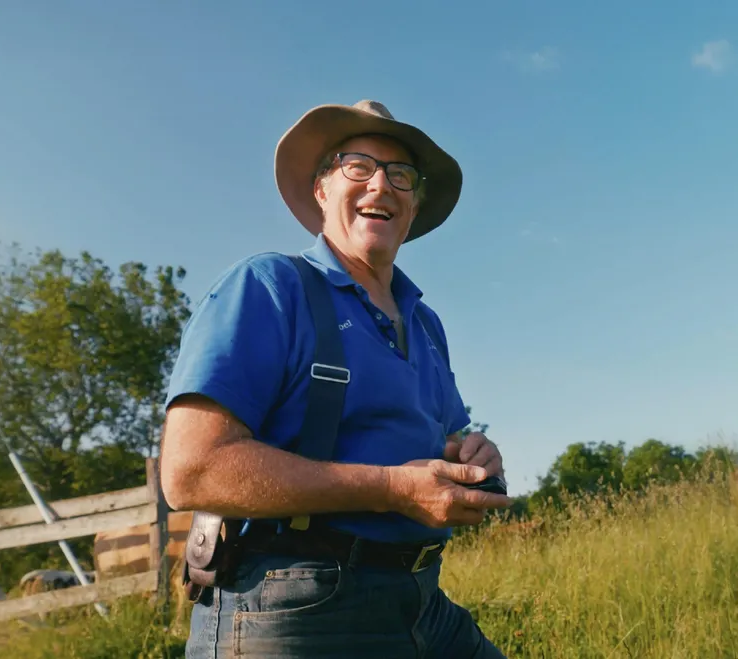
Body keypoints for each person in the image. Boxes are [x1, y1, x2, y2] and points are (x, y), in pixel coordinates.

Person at [159, 99, 512, 658]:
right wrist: (394, 490)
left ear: (414, 204)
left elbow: (436, 439)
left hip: (420, 596)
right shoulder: (271, 286)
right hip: (292, 603)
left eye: (401, 175)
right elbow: (192, 471)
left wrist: (471, 456)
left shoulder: (425, 323)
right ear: (322, 189)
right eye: (358, 166)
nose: (381, 184)